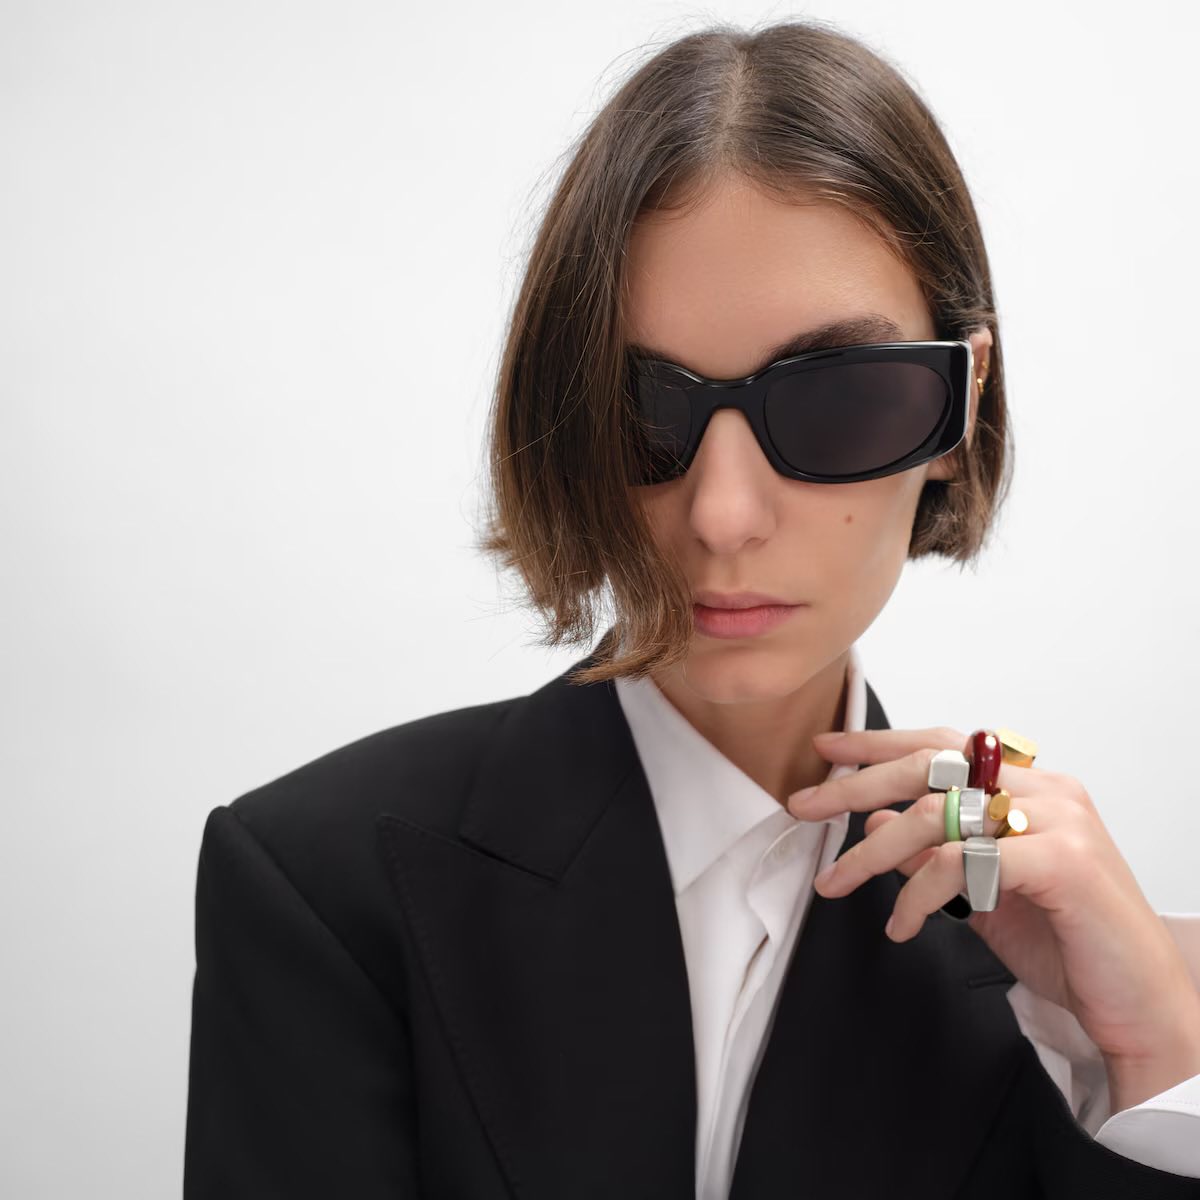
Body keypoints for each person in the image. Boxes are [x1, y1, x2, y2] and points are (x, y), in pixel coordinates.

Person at [183, 18, 1200, 1198]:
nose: (722, 515)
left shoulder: (1059, 971)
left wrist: (1160, 1057)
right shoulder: (325, 886)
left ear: (959, 407)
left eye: (838, 399)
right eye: (641, 411)